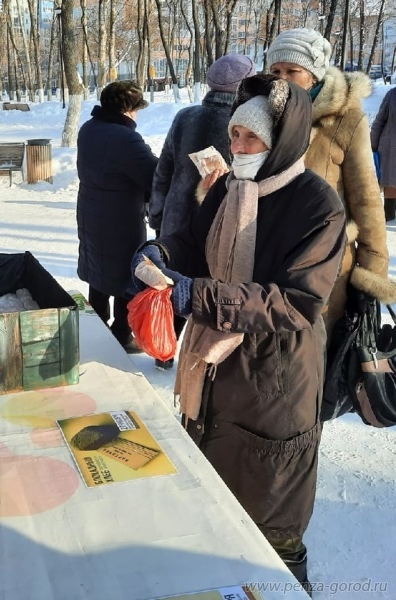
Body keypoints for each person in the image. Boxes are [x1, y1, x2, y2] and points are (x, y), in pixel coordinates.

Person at [130, 74, 346, 592]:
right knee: (217, 495)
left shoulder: (317, 204)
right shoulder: (231, 189)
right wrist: (160, 252)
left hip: (275, 378)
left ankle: (287, 586)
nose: (238, 147)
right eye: (235, 135)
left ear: (281, 142)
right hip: (217, 367)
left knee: (270, 512)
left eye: (251, 138)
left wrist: (198, 297)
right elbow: (191, 242)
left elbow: (297, 302)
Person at [268, 28, 396, 329]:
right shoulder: (263, 114)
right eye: (275, 71)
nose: (282, 79)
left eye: (292, 71)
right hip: (268, 259)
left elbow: (366, 200)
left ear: (313, 75)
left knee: (318, 348)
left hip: (326, 263)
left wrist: (371, 276)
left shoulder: (346, 120)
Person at [149, 54, 254, 369]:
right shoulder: (246, 126)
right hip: (219, 226)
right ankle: (203, 363)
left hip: (176, 220)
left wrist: (157, 215)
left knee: (172, 284)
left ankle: (164, 352)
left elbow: (163, 170)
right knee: (209, 293)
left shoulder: (186, 117)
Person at [76, 80, 157, 352]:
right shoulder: (125, 138)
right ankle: (122, 333)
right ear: (127, 109)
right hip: (120, 219)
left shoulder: (89, 128)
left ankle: (98, 326)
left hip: (90, 211)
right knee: (127, 273)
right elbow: (152, 176)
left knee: (98, 271)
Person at [370, 87, 396, 221]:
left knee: (391, 180)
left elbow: (379, 121)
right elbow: (379, 121)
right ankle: (389, 214)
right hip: (390, 146)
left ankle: (389, 214)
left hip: (390, 146)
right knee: (390, 181)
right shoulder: (392, 94)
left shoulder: (392, 94)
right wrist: (373, 144)